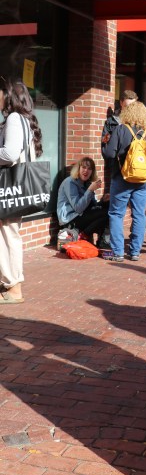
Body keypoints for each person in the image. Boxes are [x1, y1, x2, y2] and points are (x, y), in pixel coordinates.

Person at [0, 77, 43, 304]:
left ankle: (13, 287)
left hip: (9, 187)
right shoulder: (24, 119)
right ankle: (10, 282)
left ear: (9, 96)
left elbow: (10, 154)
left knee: (8, 236)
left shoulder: (14, 119)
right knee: (9, 235)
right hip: (15, 186)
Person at [101, 90, 146, 245]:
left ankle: (118, 251)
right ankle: (135, 251)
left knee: (116, 214)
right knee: (139, 214)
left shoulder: (120, 129)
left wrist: (107, 145)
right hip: (143, 178)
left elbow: (109, 153)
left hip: (122, 176)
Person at [57, 157, 109, 245]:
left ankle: (102, 241)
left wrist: (103, 201)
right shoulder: (70, 182)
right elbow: (78, 208)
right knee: (107, 213)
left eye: (89, 169)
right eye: (84, 167)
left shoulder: (87, 183)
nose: (86, 171)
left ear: (92, 172)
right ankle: (84, 234)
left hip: (82, 215)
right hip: (71, 219)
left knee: (108, 207)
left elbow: (93, 205)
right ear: (78, 169)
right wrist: (90, 190)